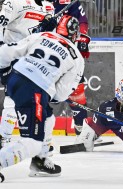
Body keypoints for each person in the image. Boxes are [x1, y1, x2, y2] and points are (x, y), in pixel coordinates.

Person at [0, 15, 84, 181]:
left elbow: (6, 51)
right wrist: (50, 95)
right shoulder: (77, 58)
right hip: (35, 91)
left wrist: (4, 74)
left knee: (48, 116)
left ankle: (41, 160)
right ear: (74, 34)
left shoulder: (42, 35)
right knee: (32, 143)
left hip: (16, 80)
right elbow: (62, 93)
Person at [0, 0, 54, 153]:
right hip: (13, 56)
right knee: (12, 98)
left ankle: (41, 146)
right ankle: (3, 138)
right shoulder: (14, 2)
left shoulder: (48, 6)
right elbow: (0, 23)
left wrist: (50, 29)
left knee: (40, 99)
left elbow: (48, 36)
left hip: (35, 60)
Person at [52, 0, 91, 136]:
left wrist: (83, 37)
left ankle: (81, 127)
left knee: (77, 87)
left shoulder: (65, 1)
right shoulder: (28, 4)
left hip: (65, 48)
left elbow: (82, 20)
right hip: (41, 49)